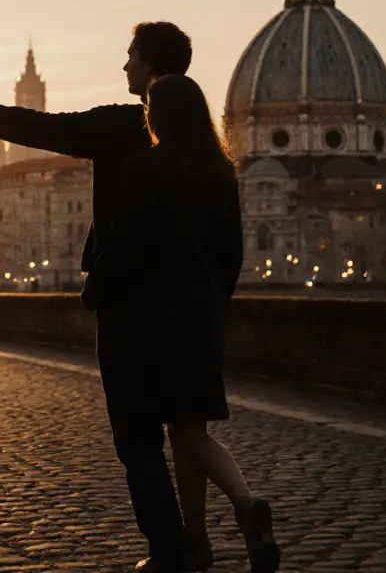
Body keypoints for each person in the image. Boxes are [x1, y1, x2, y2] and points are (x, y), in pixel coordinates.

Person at [0, 22, 200, 572]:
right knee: (185, 428)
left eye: (130, 56)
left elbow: (39, 127)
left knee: (136, 434)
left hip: (128, 303)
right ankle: (204, 532)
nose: (124, 67)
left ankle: (170, 549)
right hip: (183, 303)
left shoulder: (121, 126)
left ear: (150, 65)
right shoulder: (202, 142)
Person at [86, 74, 279, 573]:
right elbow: (232, 255)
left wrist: (95, 289)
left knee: (172, 433)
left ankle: (236, 507)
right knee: (191, 431)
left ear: (159, 116)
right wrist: (214, 303)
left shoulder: (143, 169)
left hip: (155, 323)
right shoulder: (222, 172)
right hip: (203, 320)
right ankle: (207, 532)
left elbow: (125, 247)